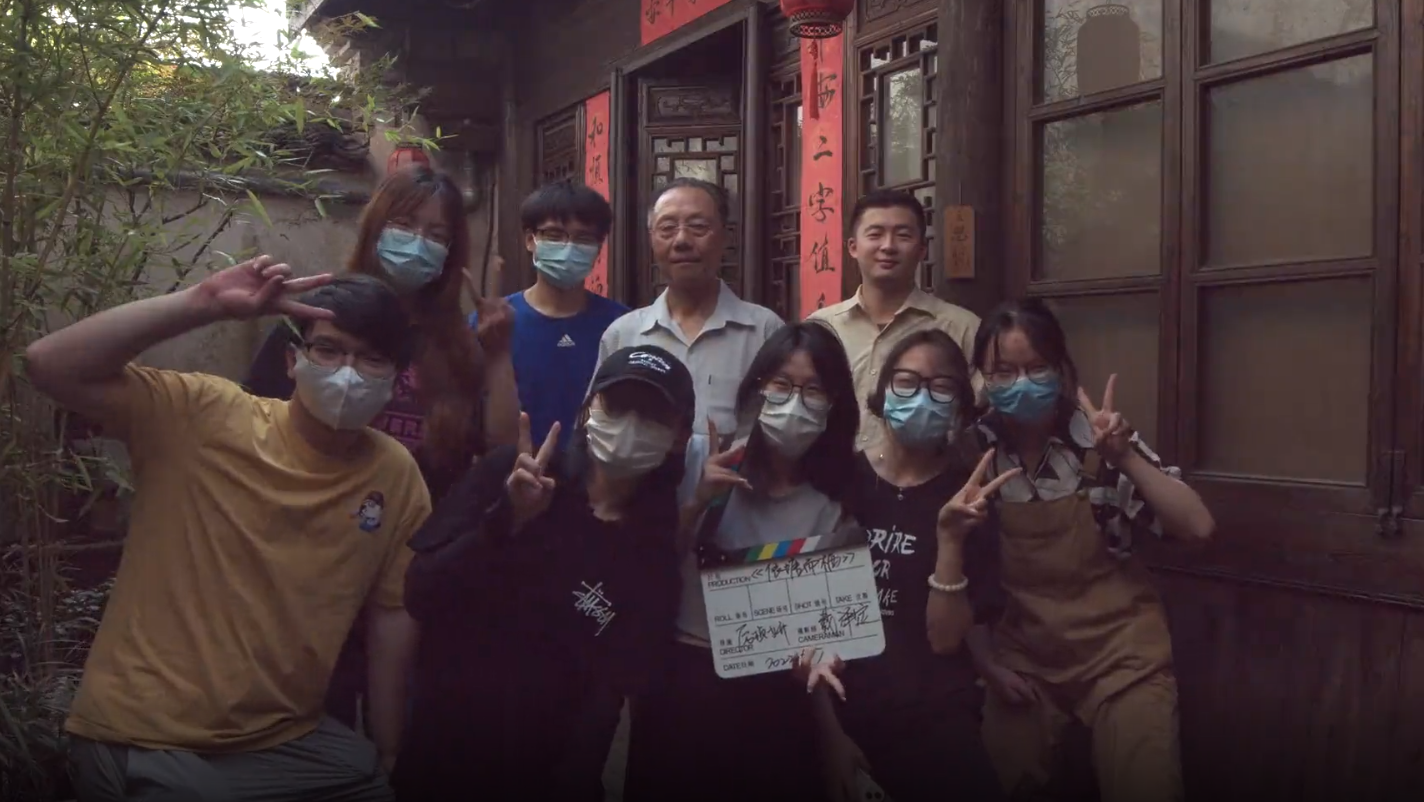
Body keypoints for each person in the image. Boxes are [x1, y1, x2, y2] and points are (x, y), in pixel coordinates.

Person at [26, 263, 428, 802]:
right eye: (328, 350)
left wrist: (390, 748)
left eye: (371, 358)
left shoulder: (394, 474)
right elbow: (49, 364)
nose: (347, 373)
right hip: (148, 734)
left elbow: (391, 614)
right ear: (292, 360)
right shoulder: (205, 416)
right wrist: (202, 303)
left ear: (396, 377)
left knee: (373, 784)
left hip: (283, 739)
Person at [242, 165, 519, 732]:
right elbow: (254, 427)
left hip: (417, 563)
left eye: (437, 234)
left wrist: (496, 354)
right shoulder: (318, 319)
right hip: (318, 557)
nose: (419, 242)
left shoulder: (455, 343)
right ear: (375, 227)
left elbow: (499, 448)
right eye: (406, 224)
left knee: (407, 716)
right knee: (315, 713)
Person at [392, 346, 694, 801]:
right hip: (443, 756)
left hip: (548, 774)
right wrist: (506, 520)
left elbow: (620, 683)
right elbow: (420, 593)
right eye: (617, 406)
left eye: (652, 415)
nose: (631, 424)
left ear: (680, 435)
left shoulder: (651, 548)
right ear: (587, 410)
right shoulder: (513, 474)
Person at [964, 299, 1215, 802]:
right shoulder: (973, 451)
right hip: (1024, 659)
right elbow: (957, 573)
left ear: (1061, 368)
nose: (1021, 383)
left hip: (1122, 656)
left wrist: (1125, 458)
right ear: (983, 379)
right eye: (1004, 372)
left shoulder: (1096, 437)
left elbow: (1198, 526)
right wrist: (988, 664)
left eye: (1037, 368)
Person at [623, 321, 862, 802]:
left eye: (814, 390)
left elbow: (823, 632)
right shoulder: (699, 457)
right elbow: (642, 568)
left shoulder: (834, 500)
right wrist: (698, 502)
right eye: (782, 384)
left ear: (835, 404)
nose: (795, 403)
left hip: (773, 696)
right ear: (757, 389)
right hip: (682, 678)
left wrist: (833, 735)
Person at [802, 330, 1018, 802]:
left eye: (941, 387)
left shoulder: (970, 497)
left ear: (959, 405)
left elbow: (946, 639)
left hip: (932, 712)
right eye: (907, 382)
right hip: (839, 706)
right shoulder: (841, 481)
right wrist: (831, 737)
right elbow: (806, 621)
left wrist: (950, 539)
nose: (922, 397)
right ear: (882, 391)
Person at [596, 177, 783, 436]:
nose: (682, 240)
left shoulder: (765, 330)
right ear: (652, 240)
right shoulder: (623, 334)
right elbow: (598, 427)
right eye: (667, 228)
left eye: (698, 227)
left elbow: (781, 429)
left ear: (726, 237)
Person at [809, 189, 981, 457]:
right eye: (875, 234)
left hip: (932, 477)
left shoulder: (962, 328)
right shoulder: (820, 328)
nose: (888, 246)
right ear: (853, 247)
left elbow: (978, 415)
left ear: (922, 249)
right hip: (832, 477)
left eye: (903, 236)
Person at [468, 180, 628, 449]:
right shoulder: (491, 324)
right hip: (511, 469)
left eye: (583, 238)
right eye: (554, 235)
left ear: (599, 247)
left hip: (595, 472)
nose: (568, 246)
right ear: (530, 240)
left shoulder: (622, 326)